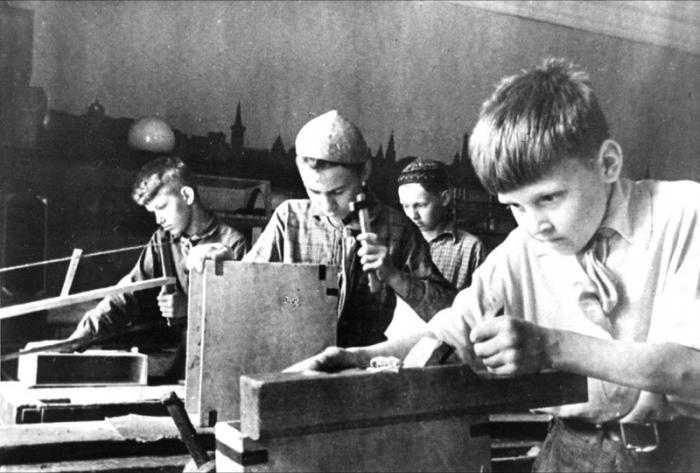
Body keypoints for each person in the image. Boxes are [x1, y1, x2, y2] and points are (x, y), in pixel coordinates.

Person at [286, 59, 700, 472]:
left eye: (549, 198)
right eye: (514, 206)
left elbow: (691, 370)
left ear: (607, 163)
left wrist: (550, 347)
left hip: (679, 454)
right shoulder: (523, 244)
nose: (535, 225)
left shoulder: (685, 214)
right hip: (570, 448)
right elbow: (447, 334)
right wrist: (357, 359)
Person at [242, 110, 456, 347]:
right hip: (294, 353)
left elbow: (448, 311)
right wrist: (222, 268)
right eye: (314, 191)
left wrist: (394, 276)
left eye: (338, 192)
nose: (327, 205)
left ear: (364, 172)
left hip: (361, 359)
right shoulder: (288, 218)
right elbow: (246, 290)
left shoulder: (398, 228)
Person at [66, 156, 248, 378]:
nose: (158, 219)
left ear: (187, 196)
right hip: (181, 365)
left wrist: (189, 309)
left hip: (219, 368)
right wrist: (76, 340)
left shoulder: (234, 243)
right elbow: (126, 295)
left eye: (162, 207)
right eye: (153, 212)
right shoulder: (162, 240)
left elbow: (242, 318)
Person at [397, 158, 484, 291]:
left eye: (421, 205)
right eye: (405, 206)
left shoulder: (470, 247)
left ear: (445, 198)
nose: (413, 215)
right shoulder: (399, 243)